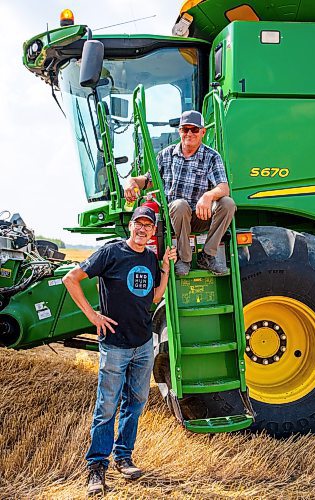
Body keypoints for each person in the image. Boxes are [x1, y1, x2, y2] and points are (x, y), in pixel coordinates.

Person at [62, 206, 177, 497]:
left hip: (142, 345)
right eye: (138, 224)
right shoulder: (110, 253)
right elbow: (70, 279)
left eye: (147, 226)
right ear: (131, 226)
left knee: (136, 403)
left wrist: (164, 270)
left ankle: (124, 457)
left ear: (152, 232)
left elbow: (154, 297)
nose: (142, 229)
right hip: (114, 346)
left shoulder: (150, 258)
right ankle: (97, 466)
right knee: (106, 408)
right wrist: (93, 316)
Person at [125, 110, 236, 276]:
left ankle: (208, 256)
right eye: (185, 129)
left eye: (194, 129)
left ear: (203, 132)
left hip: (201, 216)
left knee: (228, 203)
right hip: (175, 216)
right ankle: (184, 259)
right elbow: (148, 180)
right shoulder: (165, 155)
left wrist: (208, 196)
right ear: (180, 131)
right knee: (180, 204)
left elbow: (223, 187)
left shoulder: (212, 157)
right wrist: (131, 181)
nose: (189, 133)